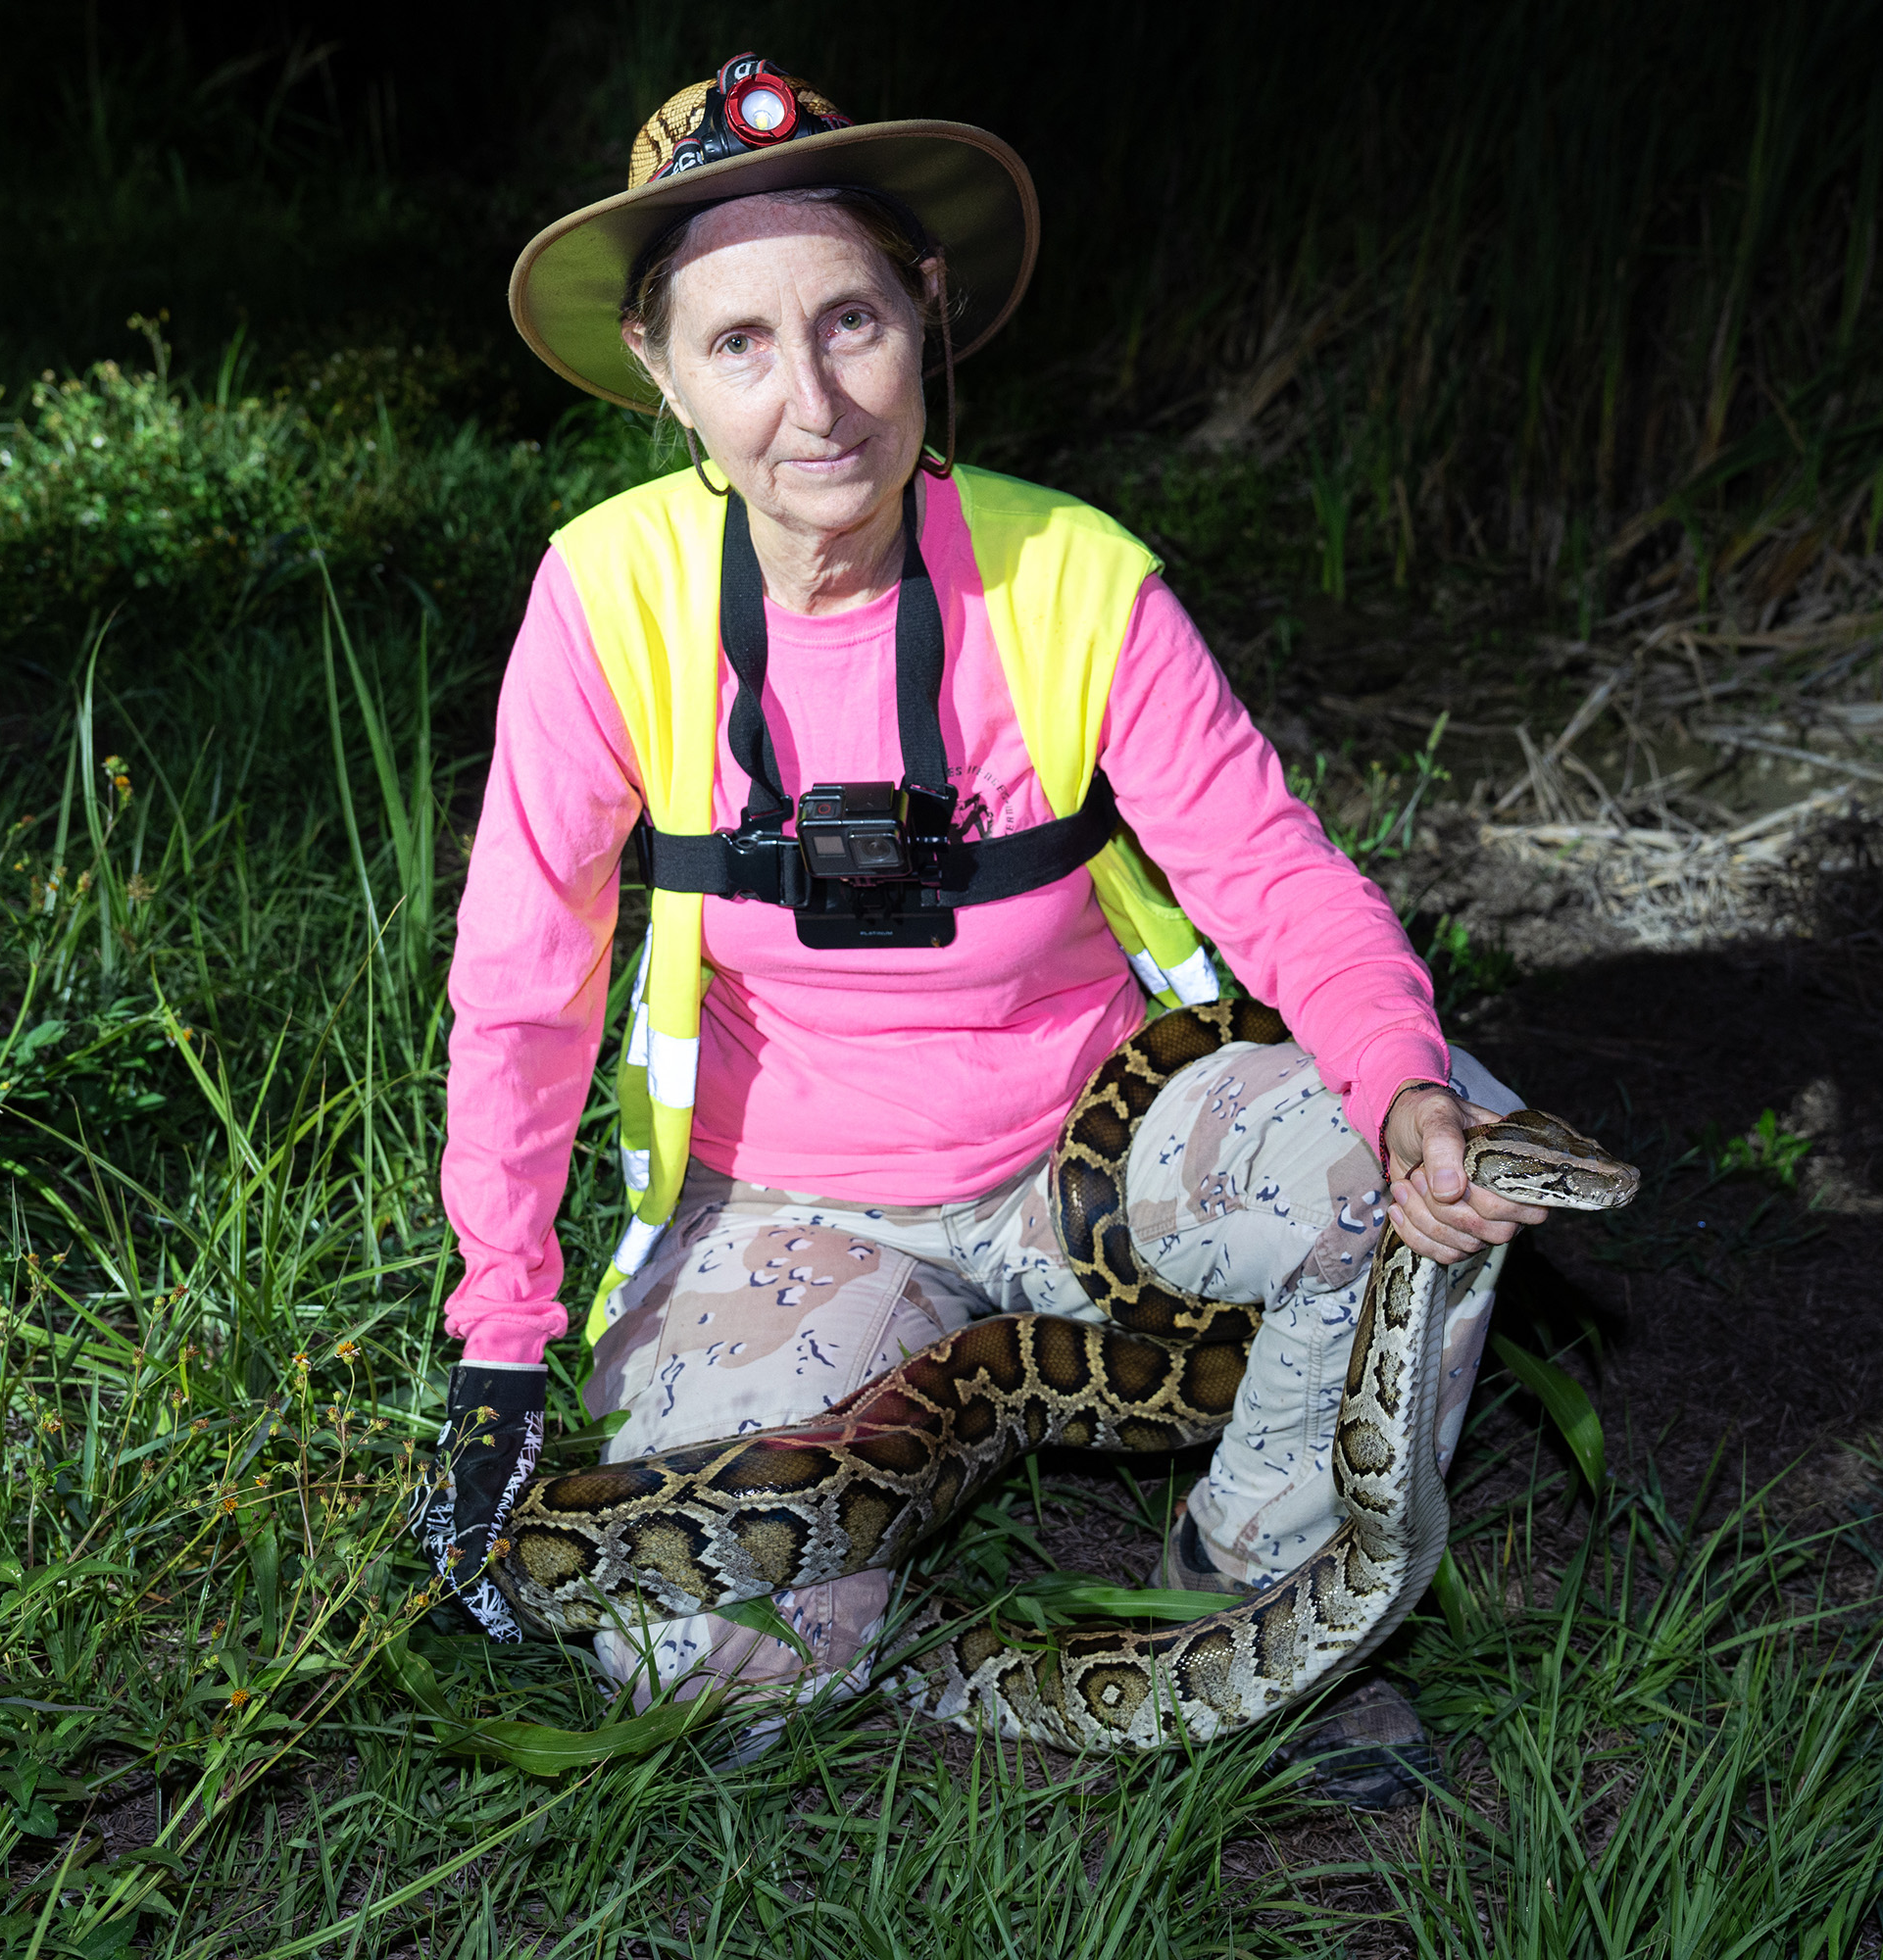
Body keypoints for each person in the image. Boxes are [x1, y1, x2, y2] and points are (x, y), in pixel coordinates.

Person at [421, 54, 1542, 1808]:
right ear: (658, 371)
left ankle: (1262, 1604)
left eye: (851, 318)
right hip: (783, 1199)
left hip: (1089, 1151)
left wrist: (1399, 1078)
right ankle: (909, 1457)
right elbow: (521, 989)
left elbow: (1278, 874)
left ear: (927, 309)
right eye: (738, 344)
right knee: (697, 1667)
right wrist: (503, 1339)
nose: (812, 402)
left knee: (1422, 1163)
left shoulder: (1073, 572)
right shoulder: (606, 596)